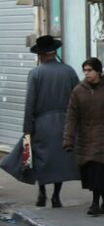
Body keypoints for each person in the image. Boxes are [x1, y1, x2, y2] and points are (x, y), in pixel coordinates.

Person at [64, 58, 104, 216]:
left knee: (102, 171)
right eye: (85, 70)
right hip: (86, 138)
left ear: (98, 71)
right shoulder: (78, 91)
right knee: (92, 172)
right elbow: (71, 116)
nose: (87, 73)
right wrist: (68, 139)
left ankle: (95, 203)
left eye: (90, 70)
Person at [21, 35, 80, 207]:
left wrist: (27, 129)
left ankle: (42, 193)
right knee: (59, 161)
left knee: (42, 160)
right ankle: (56, 195)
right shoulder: (69, 71)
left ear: (40, 55)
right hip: (65, 122)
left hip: (42, 124)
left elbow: (29, 103)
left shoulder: (35, 74)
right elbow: (77, 98)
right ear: (54, 53)